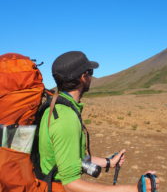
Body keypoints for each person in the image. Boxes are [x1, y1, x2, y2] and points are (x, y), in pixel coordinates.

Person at [38, 51, 159, 192]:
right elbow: (70, 183)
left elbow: (73, 157)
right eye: (90, 72)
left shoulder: (56, 107)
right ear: (83, 77)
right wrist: (135, 189)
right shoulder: (66, 118)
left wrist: (108, 162)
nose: (92, 76)